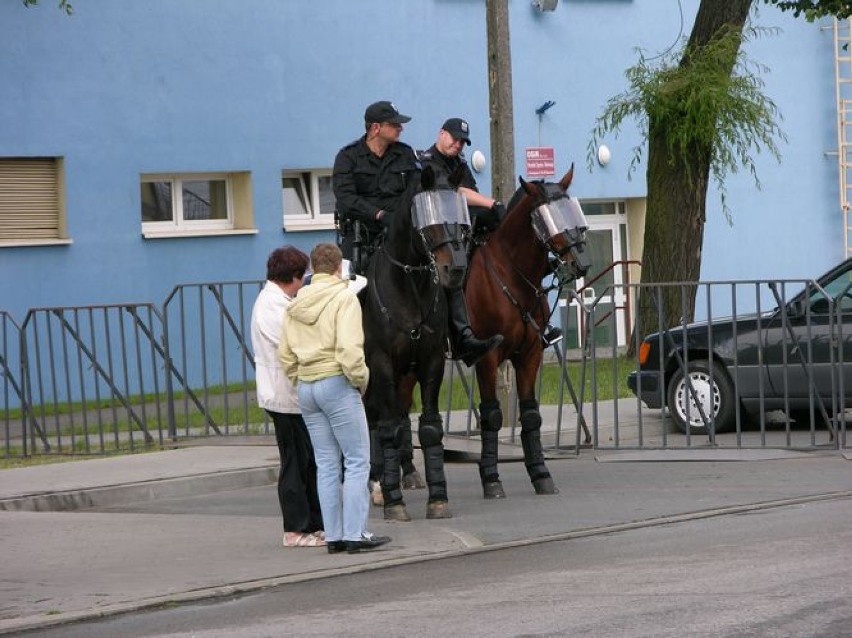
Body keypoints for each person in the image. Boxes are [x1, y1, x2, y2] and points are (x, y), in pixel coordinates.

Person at [333, 101, 503, 366]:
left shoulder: (406, 156)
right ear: (376, 128)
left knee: (445, 265)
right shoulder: (348, 157)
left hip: (404, 234)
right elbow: (345, 198)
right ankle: (343, 352)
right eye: (395, 124)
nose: (401, 128)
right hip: (363, 235)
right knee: (342, 289)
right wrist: (378, 214)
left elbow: (427, 183)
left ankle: (462, 336)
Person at [278, 243, 391, 555]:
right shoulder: (344, 298)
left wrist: (298, 378)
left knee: (327, 463)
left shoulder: (296, 303)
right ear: (340, 268)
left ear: (313, 269)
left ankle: (334, 536)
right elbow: (350, 351)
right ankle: (356, 533)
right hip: (336, 382)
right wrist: (360, 382)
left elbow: (285, 354)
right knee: (356, 460)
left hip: (306, 386)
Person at [419, 117, 563, 347]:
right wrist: (492, 203)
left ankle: (540, 324)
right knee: (455, 274)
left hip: (468, 225)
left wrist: (493, 210)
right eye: (455, 139)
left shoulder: (460, 163)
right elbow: (454, 191)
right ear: (441, 134)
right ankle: (455, 332)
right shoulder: (426, 161)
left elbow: (471, 192)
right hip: (443, 233)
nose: (458, 145)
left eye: (463, 142)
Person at [249, 246, 325, 548]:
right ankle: (295, 530)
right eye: (302, 277)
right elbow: (292, 344)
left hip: (291, 395)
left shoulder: (277, 301)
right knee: (294, 462)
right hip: (283, 396)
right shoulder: (271, 306)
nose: (303, 283)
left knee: (307, 461)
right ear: (291, 277)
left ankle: (313, 524)